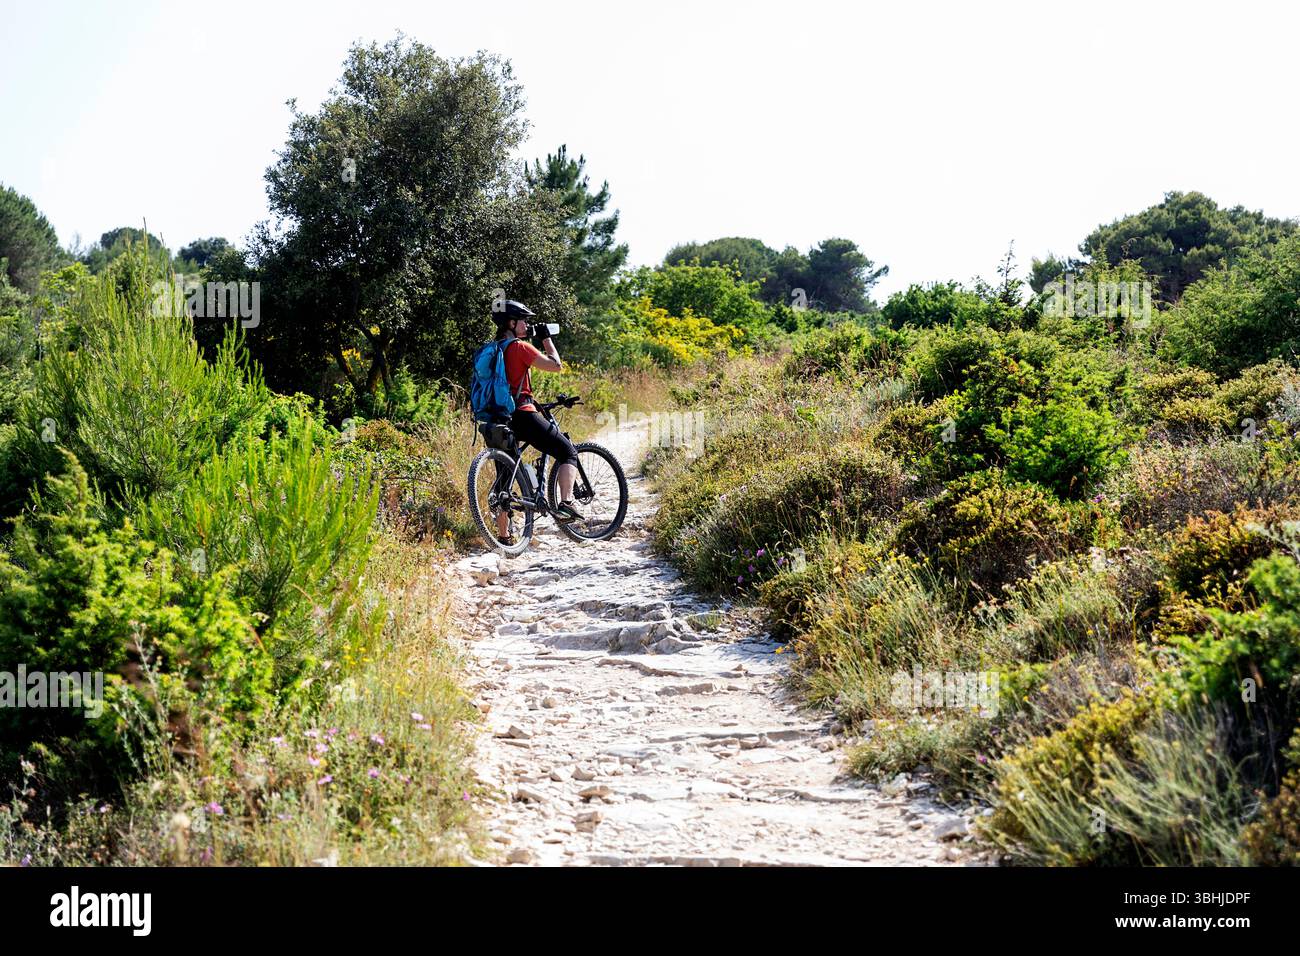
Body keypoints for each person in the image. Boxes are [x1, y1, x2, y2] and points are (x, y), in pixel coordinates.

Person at [491, 301, 583, 544]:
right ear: (512, 323)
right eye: (524, 320)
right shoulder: (520, 347)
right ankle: (566, 504)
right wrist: (545, 339)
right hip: (522, 414)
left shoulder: (493, 349)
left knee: (504, 477)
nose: (528, 325)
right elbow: (556, 366)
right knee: (567, 451)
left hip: (497, 418)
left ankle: (504, 536)